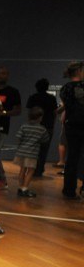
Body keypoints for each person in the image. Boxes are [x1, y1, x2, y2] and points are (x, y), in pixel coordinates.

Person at [59, 61, 84, 199]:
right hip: (79, 126)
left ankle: (69, 190)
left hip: (71, 126)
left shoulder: (65, 88)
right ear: (79, 71)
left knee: (72, 158)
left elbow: (67, 107)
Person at [13, 107, 50, 197]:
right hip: (32, 154)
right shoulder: (42, 129)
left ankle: (20, 187)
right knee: (31, 171)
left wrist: (20, 145)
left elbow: (18, 137)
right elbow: (46, 140)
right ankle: (25, 188)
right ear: (39, 117)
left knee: (22, 169)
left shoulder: (24, 126)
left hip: (21, 152)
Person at [25, 78, 58, 177]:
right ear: (47, 87)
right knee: (44, 150)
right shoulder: (51, 98)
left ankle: (31, 169)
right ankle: (39, 170)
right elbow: (54, 112)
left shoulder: (33, 97)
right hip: (48, 126)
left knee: (33, 149)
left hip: (34, 126)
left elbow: (29, 112)